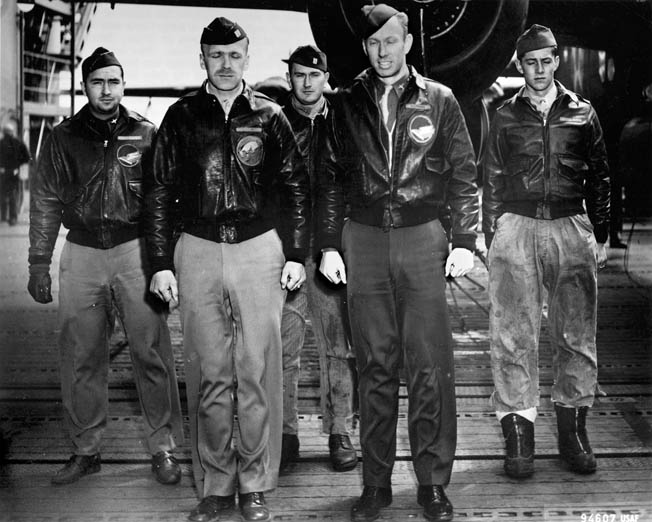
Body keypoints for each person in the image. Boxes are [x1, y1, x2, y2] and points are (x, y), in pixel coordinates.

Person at [317, 5, 480, 521]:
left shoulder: (441, 100)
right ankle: (375, 483)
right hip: (362, 239)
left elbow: (464, 174)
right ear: (364, 48)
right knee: (374, 366)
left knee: (431, 367)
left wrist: (465, 238)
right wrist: (327, 244)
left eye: (391, 41)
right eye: (373, 44)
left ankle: (432, 483)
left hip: (422, 237)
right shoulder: (342, 105)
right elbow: (329, 179)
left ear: (407, 41)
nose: (382, 52)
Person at [144, 17, 310, 522]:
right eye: (215, 55)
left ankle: (255, 483)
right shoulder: (180, 117)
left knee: (256, 371)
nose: (225, 64)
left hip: (258, 248)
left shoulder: (271, 116)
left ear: (247, 57)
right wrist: (158, 263)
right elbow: (156, 193)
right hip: (195, 249)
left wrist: (298, 253)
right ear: (202, 59)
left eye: (234, 55)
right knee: (210, 374)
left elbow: (296, 187)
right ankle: (216, 484)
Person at [27, 47, 183, 486]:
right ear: (85, 86)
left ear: (123, 84)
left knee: (151, 350)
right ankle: (86, 449)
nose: (107, 90)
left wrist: (163, 260)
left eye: (114, 81)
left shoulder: (146, 135)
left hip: (134, 251)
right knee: (81, 354)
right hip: (81, 253)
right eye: (98, 82)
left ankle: (163, 447)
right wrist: (39, 261)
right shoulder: (62, 138)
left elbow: (162, 202)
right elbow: (44, 202)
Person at [482, 25, 610, 479]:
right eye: (529, 62)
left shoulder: (583, 112)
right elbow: (490, 175)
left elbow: (600, 175)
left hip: (570, 225)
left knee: (576, 332)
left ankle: (574, 434)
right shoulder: (503, 115)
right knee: (512, 333)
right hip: (516, 227)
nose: (538, 70)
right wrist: (492, 231)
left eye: (546, 60)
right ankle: (519, 440)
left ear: (557, 60)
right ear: (520, 65)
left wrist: (602, 232)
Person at [278, 45, 357, 474]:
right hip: (286, 252)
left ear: (326, 77)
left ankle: (339, 431)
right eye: (298, 74)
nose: (306, 83)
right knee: (283, 345)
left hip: (332, 252)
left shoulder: (344, 122)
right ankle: (286, 433)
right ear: (288, 77)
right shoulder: (273, 121)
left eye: (314, 74)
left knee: (338, 347)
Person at [0, 120, 30, 225]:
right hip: (14, 172)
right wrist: (18, 164)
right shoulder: (18, 143)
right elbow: (27, 157)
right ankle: (13, 218)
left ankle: (3, 216)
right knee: (13, 194)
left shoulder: (1, 143)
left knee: (2, 193)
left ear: (4, 132)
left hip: (2, 172)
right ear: (12, 132)